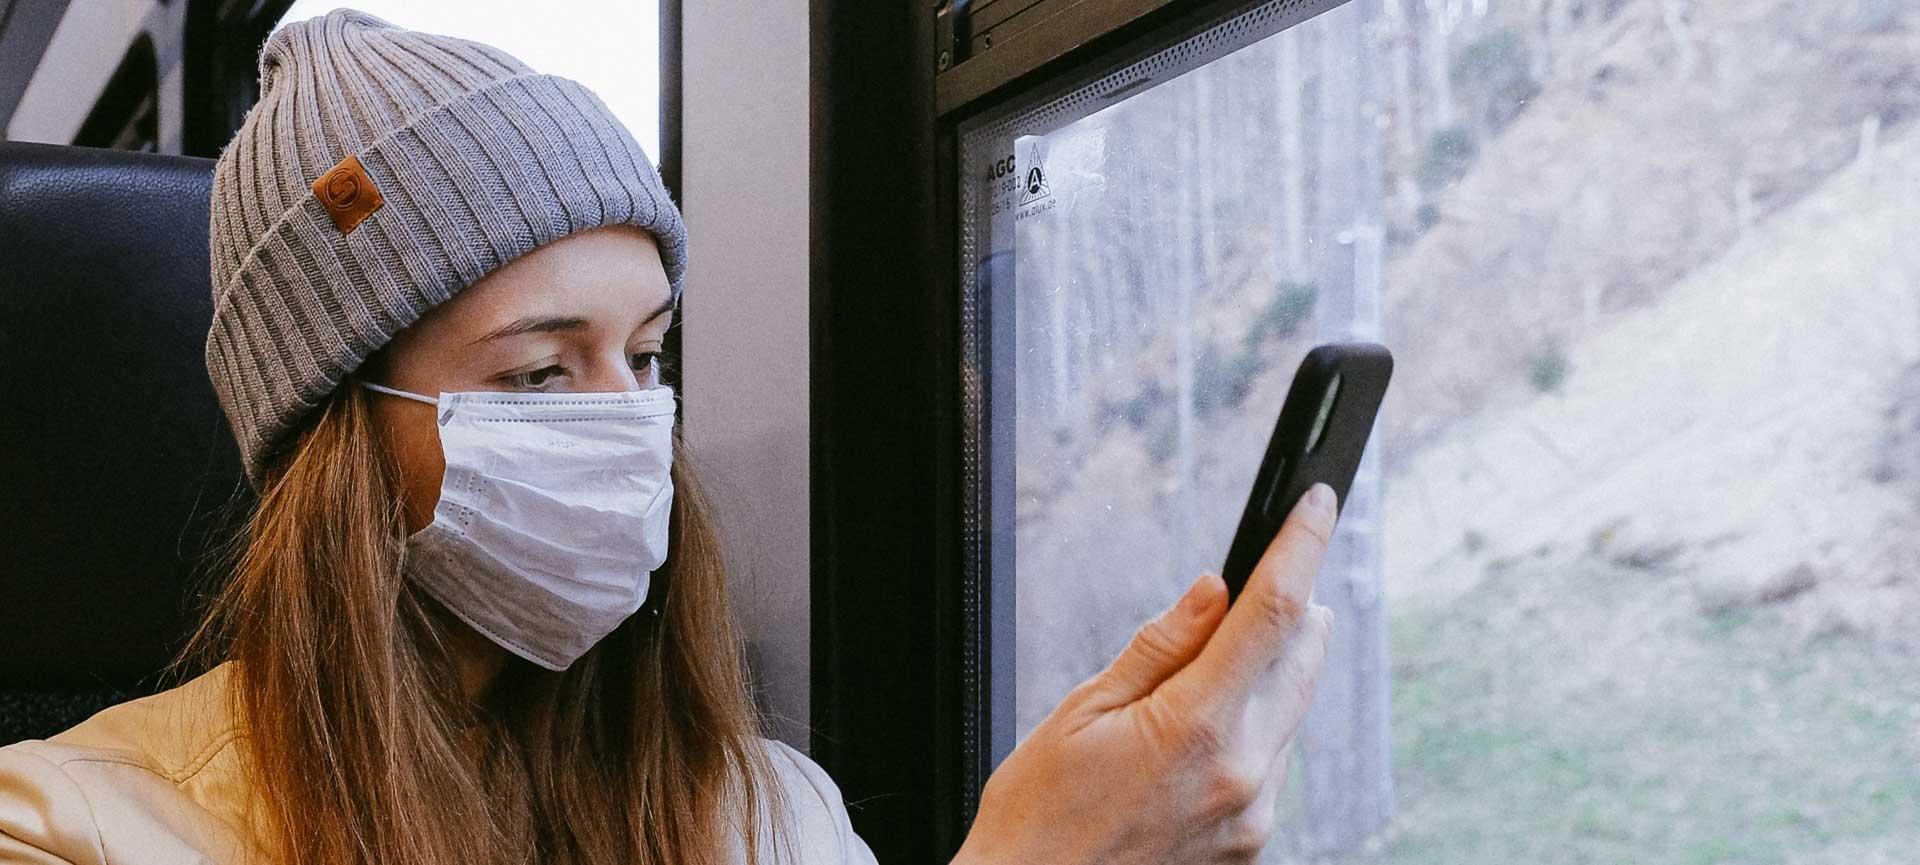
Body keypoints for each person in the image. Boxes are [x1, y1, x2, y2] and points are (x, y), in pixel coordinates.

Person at [0, 8, 1338, 865]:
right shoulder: (67, 823)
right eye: (533, 376)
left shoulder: (765, 810)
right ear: (331, 449)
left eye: (644, 357)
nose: (625, 430)